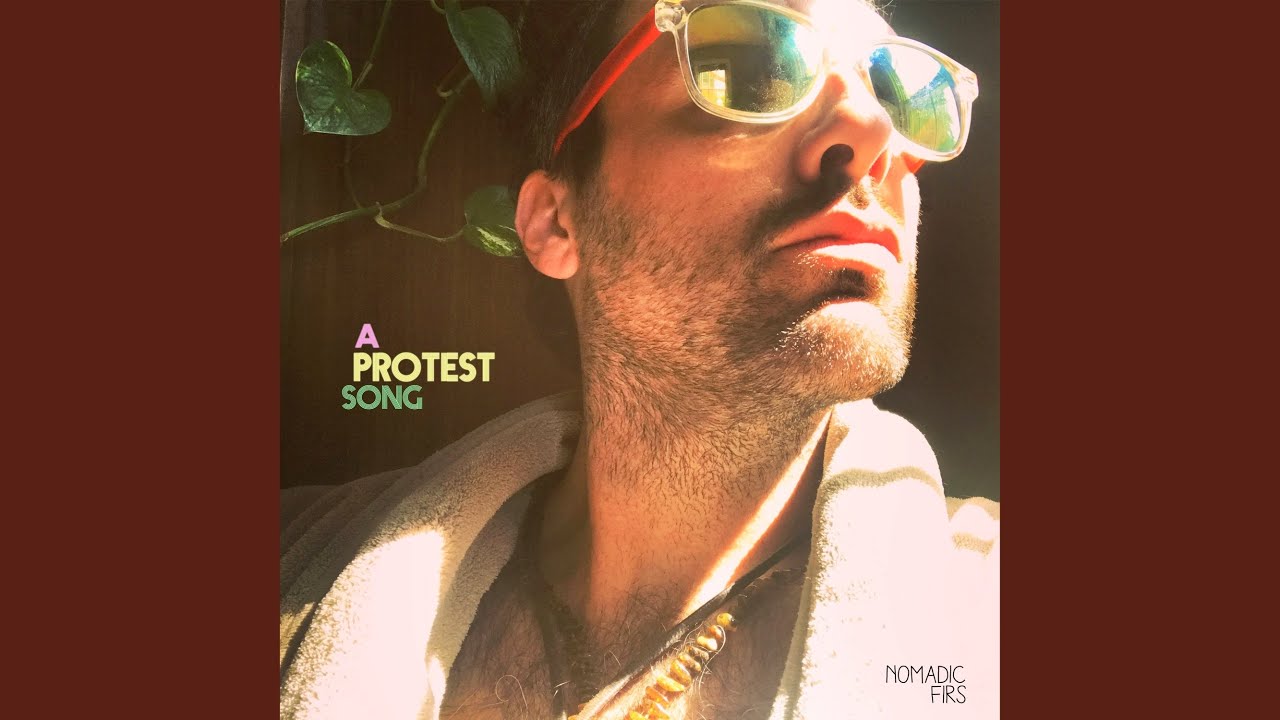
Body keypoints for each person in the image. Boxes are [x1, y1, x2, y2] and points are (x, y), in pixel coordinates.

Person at [279, 1, 999, 718]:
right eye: (753, 64)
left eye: (902, 93)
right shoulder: (294, 560)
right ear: (556, 223)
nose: (873, 131)